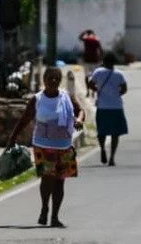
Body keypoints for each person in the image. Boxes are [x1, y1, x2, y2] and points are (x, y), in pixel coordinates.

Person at [8, 67, 85, 228]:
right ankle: (44, 208)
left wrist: (79, 120)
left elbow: (80, 111)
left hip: (64, 145)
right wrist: (12, 139)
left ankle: (55, 216)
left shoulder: (66, 97)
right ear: (44, 80)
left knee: (60, 181)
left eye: (57, 78)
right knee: (47, 178)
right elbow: (24, 120)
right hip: (43, 145)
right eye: (50, 78)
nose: (53, 81)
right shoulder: (37, 99)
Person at [90, 54, 129, 166]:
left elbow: (91, 84)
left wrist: (98, 91)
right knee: (115, 133)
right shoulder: (119, 74)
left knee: (101, 131)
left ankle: (102, 148)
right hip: (116, 106)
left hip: (102, 106)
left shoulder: (98, 72)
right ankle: (112, 157)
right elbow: (124, 88)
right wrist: (116, 94)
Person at [79, 30, 103, 98]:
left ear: (88, 34)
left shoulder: (86, 39)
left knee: (86, 76)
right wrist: (101, 59)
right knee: (95, 76)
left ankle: (88, 91)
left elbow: (80, 37)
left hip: (87, 60)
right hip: (95, 60)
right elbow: (101, 50)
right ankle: (93, 91)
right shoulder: (96, 39)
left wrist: (84, 32)